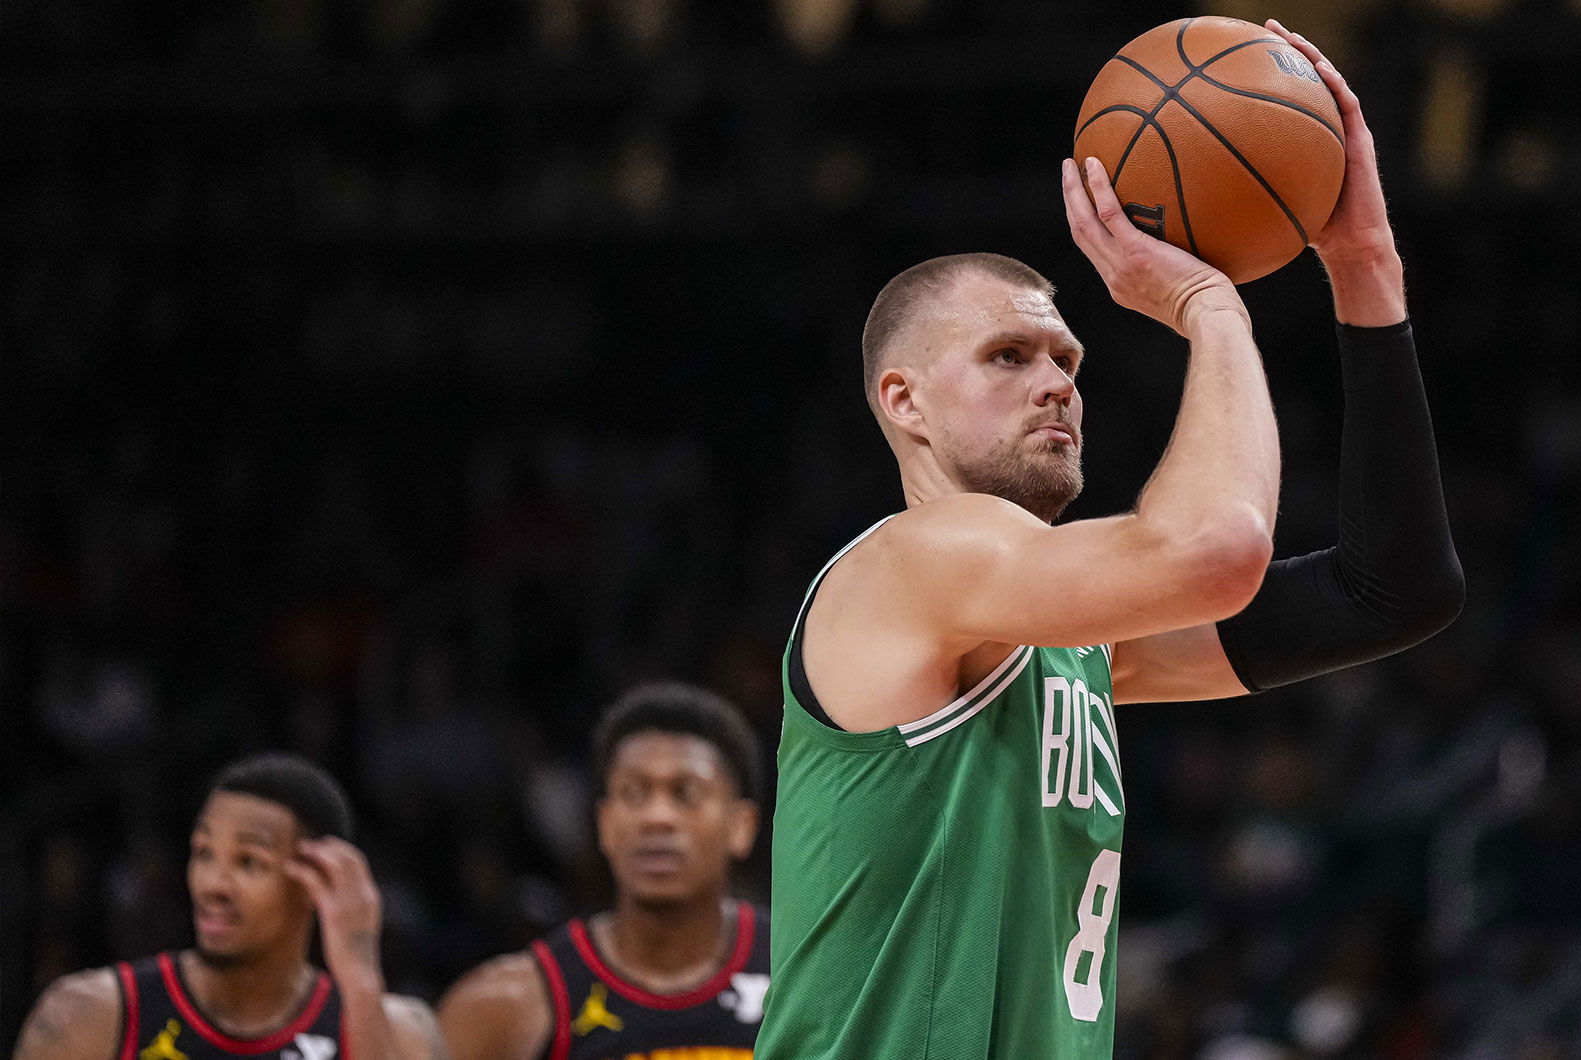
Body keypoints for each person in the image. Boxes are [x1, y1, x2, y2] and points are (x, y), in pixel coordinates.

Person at [757, 21, 1462, 1060]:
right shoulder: (913, 564)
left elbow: (1394, 591)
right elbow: (1218, 549)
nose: (1056, 382)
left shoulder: (1069, 643)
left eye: (1067, 358)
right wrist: (1212, 309)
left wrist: (1363, 264)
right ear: (900, 401)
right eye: (1008, 355)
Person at [11, 754, 442, 1060]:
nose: (213, 885)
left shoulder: (401, 1033)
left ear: (319, 881)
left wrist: (360, 976)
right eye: (203, 853)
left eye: (248, 862)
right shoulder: (90, 1015)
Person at [436, 682, 768, 1060]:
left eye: (686, 793)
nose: (656, 818)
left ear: (742, 826)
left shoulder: (804, 982)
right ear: (605, 824)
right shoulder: (506, 1006)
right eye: (633, 793)